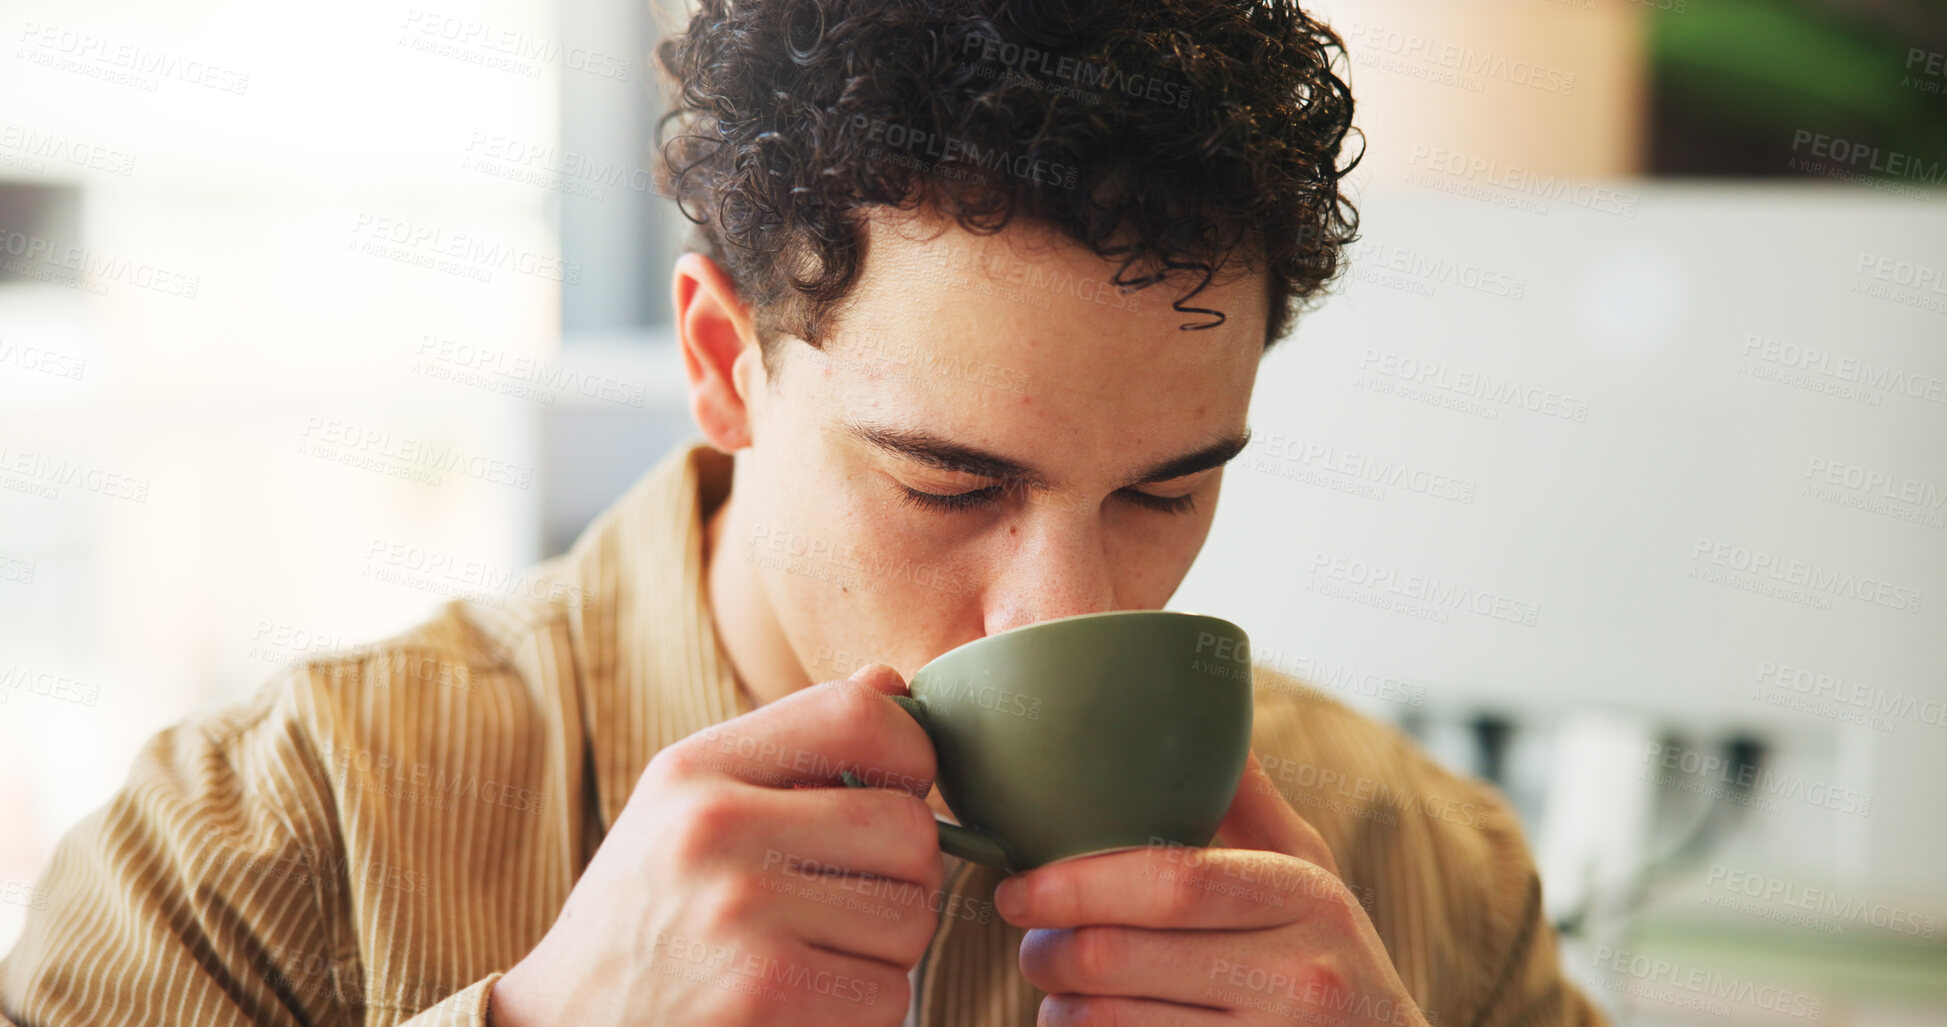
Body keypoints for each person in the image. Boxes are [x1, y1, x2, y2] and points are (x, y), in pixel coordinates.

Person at [1, 1, 1604, 1024]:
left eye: (1167, 490)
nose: (1063, 606)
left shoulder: (1425, 884)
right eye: (950, 481)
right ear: (722, 364)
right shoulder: (262, 847)